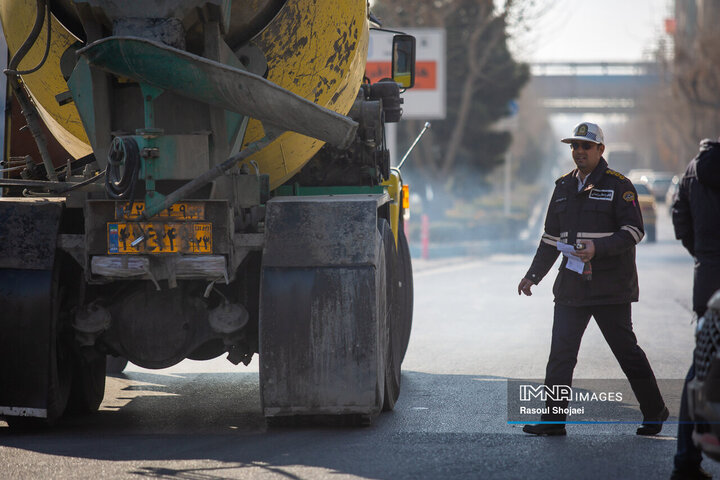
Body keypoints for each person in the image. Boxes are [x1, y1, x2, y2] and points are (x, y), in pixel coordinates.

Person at [518, 122, 668, 436]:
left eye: (586, 146)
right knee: (561, 353)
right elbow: (550, 238)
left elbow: (633, 231)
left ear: (601, 150)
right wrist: (533, 276)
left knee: (626, 352)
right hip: (571, 287)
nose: (579, 152)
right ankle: (553, 421)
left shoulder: (620, 185)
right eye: (574, 146)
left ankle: (655, 411)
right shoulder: (562, 186)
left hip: (611, 287)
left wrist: (597, 248)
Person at [670, 138, 720, 480]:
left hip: (708, 281)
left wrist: (704, 256)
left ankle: (686, 460)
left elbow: (679, 221)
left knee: (701, 368)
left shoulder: (691, 171)